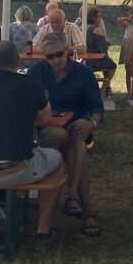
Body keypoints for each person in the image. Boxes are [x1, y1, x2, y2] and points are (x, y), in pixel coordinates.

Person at [0, 40, 62, 250]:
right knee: (57, 159)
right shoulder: (30, 84)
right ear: (18, 61)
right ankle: (43, 231)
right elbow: (45, 118)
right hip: (15, 169)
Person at [26, 31, 104, 237]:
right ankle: (83, 208)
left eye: (59, 54)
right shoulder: (34, 73)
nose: (55, 60)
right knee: (67, 137)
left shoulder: (84, 73)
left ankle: (71, 199)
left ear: (69, 51)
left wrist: (92, 124)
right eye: (49, 56)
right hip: (49, 130)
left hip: (78, 126)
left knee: (76, 131)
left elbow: (97, 107)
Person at [83, 6, 117, 94]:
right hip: (95, 61)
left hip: (82, 61)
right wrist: (108, 56)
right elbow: (103, 49)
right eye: (99, 17)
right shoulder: (97, 31)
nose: (100, 19)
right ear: (94, 18)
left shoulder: (81, 29)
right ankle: (103, 88)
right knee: (112, 65)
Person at [117, 8, 133, 97]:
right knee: (127, 72)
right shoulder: (128, 25)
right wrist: (128, 19)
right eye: (131, 18)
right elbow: (119, 20)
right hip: (126, 46)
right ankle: (128, 92)